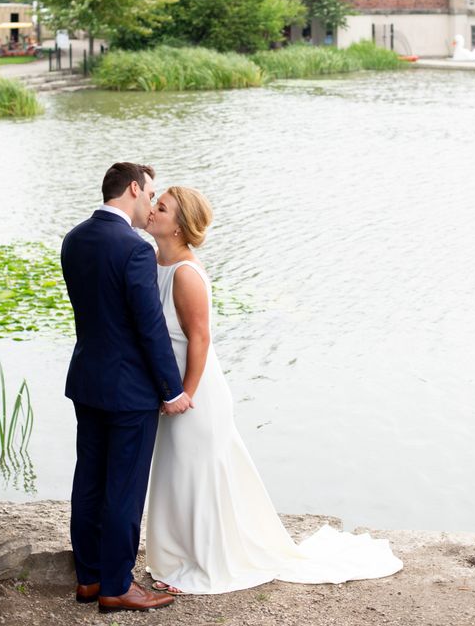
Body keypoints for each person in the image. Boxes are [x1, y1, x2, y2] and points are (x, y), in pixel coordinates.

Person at [144, 186, 403, 594]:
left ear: (178, 226)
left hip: (196, 395)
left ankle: (206, 562)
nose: (152, 210)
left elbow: (200, 338)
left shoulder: (185, 274)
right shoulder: (155, 262)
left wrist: (185, 393)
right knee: (175, 474)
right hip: (171, 390)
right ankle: (177, 557)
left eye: (161, 208)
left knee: (197, 475)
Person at [61, 162, 192, 614]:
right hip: (130, 391)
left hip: (87, 380)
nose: (151, 204)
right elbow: (149, 327)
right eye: (150, 193)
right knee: (124, 489)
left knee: (89, 481)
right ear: (133, 189)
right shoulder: (135, 248)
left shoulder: (74, 238)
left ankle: (90, 579)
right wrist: (171, 390)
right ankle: (118, 586)